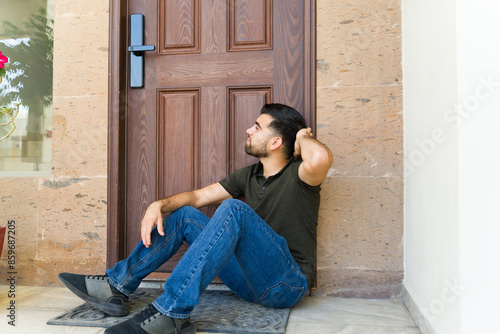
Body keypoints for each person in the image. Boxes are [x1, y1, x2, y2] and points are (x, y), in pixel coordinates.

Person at [58, 103, 333, 334]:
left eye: (257, 127)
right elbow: (198, 197)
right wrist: (158, 204)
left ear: (276, 142)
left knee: (233, 209)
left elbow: (320, 157)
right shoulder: (249, 175)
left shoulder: (301, 175)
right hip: (248, 282)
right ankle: (116, 285)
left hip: (286, 284)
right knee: (187, 215)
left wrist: (302, 137)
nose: (249, 130)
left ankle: (171, 312)